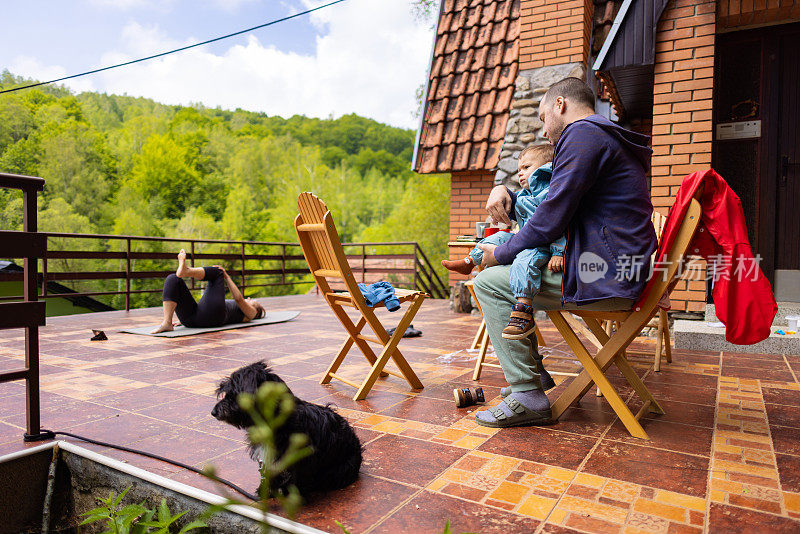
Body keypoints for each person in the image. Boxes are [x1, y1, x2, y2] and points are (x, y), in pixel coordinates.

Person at [471, 77, 657, 428]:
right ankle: (532, 378)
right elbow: (553, 200)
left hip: (607, 278)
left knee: (490, 282)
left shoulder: (583, 132)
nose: (543, 132)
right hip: (618, 270)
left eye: (542, 119)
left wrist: (503, 252)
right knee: (503, 274)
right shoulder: (602, 135)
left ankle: (528, 392)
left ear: (560, 105)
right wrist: (505, 189)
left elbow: (552, 215)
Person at [441, 144, 566, 339]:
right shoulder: (527, 194)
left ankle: (523, 309)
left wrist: (559, 252)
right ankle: (469, 262)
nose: (521, 174)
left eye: (526, 167)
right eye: (518, 170)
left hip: (542, 246)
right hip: (524, 238)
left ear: (546, 166)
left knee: (525, 259)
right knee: (497, 237)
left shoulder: (550, 192)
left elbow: (560, 223)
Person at [151, 249, 266, 333]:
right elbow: (207, 304)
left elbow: (239, 299)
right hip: (192, 318)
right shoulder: (241, 309)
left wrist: (226, 276)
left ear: (257, 310)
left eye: (253, 302)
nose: (249, 299)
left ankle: (187, 271)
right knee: (173, 279)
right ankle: (167, 322)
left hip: (212, 319)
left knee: (218, 272)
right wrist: (184, 318)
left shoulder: (251, 314)